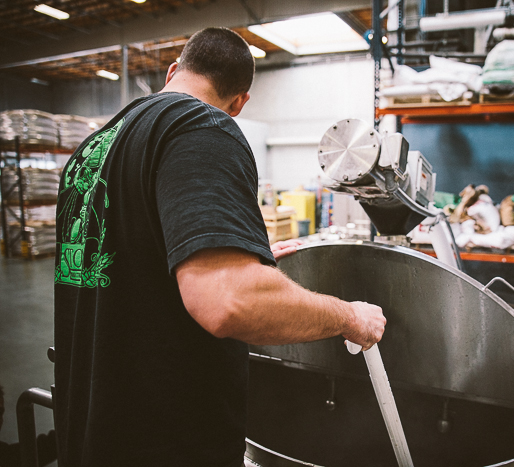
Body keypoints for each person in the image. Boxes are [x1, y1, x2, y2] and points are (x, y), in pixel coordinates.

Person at [53, 27, 385, 467]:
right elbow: (228, 300)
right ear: (240, 102)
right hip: (164, 444)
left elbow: (132, 259)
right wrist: (350, 317)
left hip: (90, 434)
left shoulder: (94, 146)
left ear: (175, 70)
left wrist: (239, 254)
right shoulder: (204, 127)